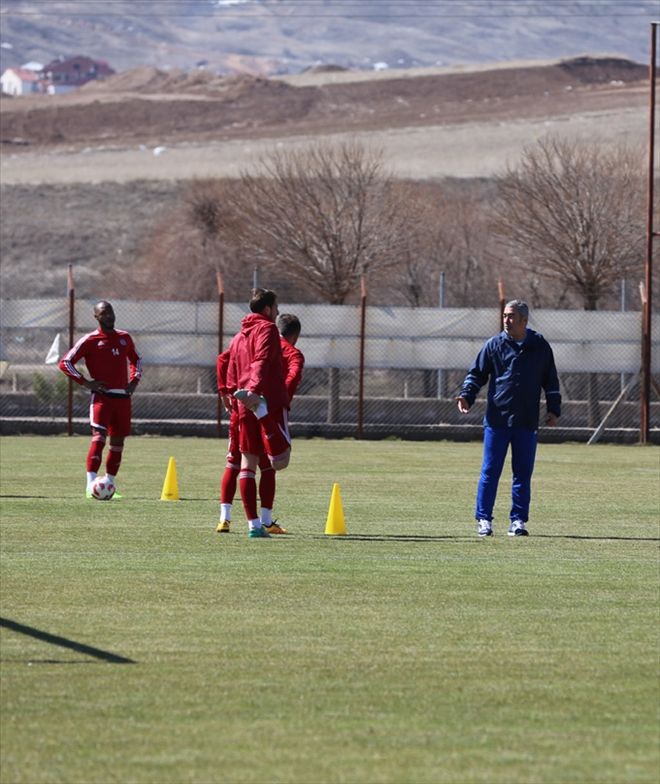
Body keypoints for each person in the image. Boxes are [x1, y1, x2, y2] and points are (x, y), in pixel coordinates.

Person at [457, 299, 561, 537]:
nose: (506, 320)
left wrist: (553, 410)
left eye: (511, 316)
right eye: (504, 315)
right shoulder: (494, 345)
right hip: (497, 421)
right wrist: (466, 396)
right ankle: (484, 520)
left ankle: (518, 522)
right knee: (490, 471)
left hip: (526, 421)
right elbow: (476, 374)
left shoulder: (540, 346)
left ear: (524, 320)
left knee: (522, 474)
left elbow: (551, 381)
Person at [215, 312, 305, 536]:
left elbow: (224, 359)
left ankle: (229, 519)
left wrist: (226, 391)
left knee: (239, 461)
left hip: (243, 406)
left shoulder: (247, 339)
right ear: (295, 335)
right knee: (274, 462)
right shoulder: (291, 351)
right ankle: (263, 520)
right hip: (268, 408)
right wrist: (281, 399)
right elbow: (292, 376)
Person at [225, 288, 292, 538]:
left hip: (243, 403)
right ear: (267, 309)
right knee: (280, 460)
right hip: (265, 400)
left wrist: (233, 394)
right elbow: (261, 360)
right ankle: (263, 414)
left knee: (248, 463)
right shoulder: (268, 329)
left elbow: (230, 365)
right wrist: (255, 393)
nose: (277, 312)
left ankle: (254, 525)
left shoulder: (239, 335)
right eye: (276, 307)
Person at [59, 300, 142, 497]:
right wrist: (86, 382)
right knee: (99, 438)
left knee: (118, 442)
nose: (109, 316)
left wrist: (134, 381)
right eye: (104, 313)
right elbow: (65, 362)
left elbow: (136, 359)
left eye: (111, 312)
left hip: (122, 398)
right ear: (96, 317)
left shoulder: (124, 337)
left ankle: (109, 484)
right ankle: (90, 486)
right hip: (102, 398)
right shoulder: (90, 340)